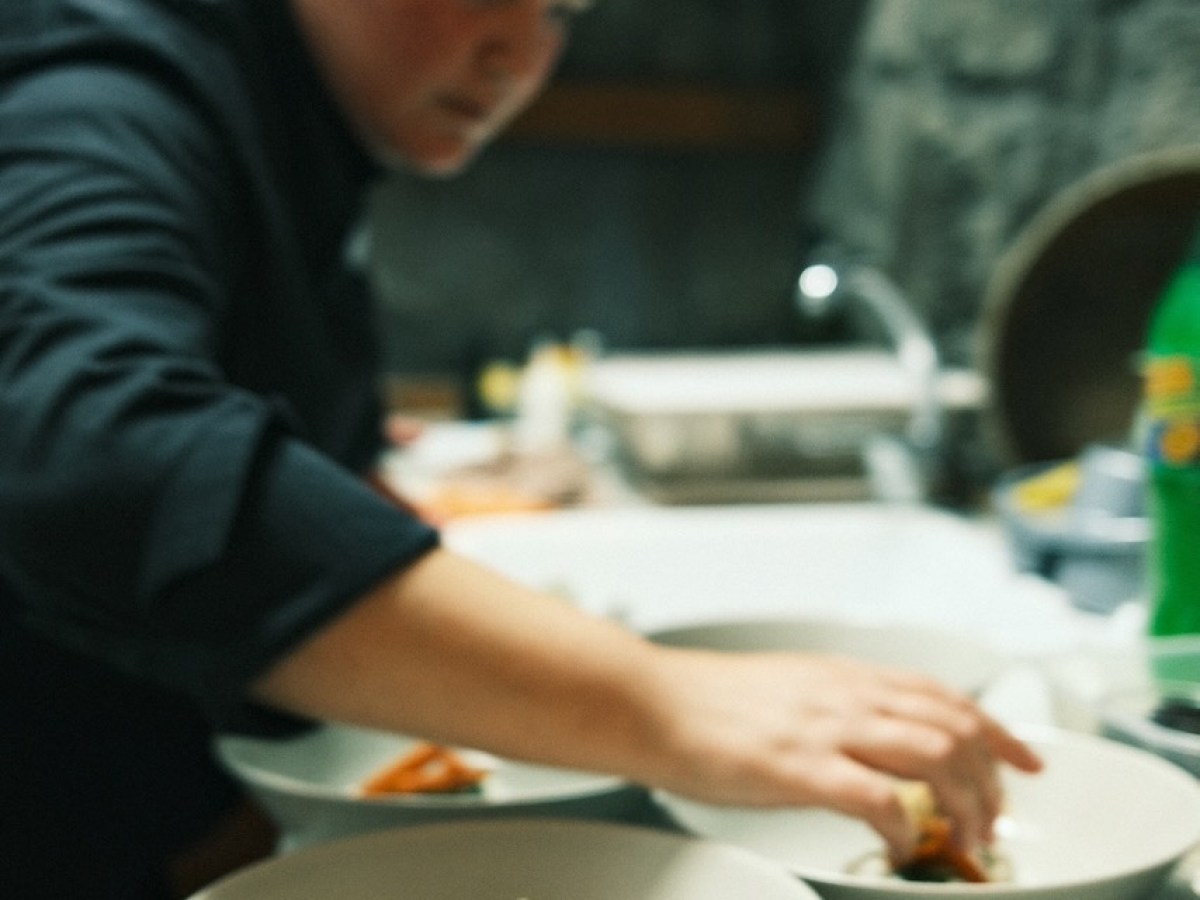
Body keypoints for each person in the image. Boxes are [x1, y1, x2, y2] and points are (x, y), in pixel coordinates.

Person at [0, 1, 1042, 897]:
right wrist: (665, 698)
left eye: (559, 9)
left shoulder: (301, 120)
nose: (516, 54)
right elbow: (93, 453)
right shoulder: (106, 84)